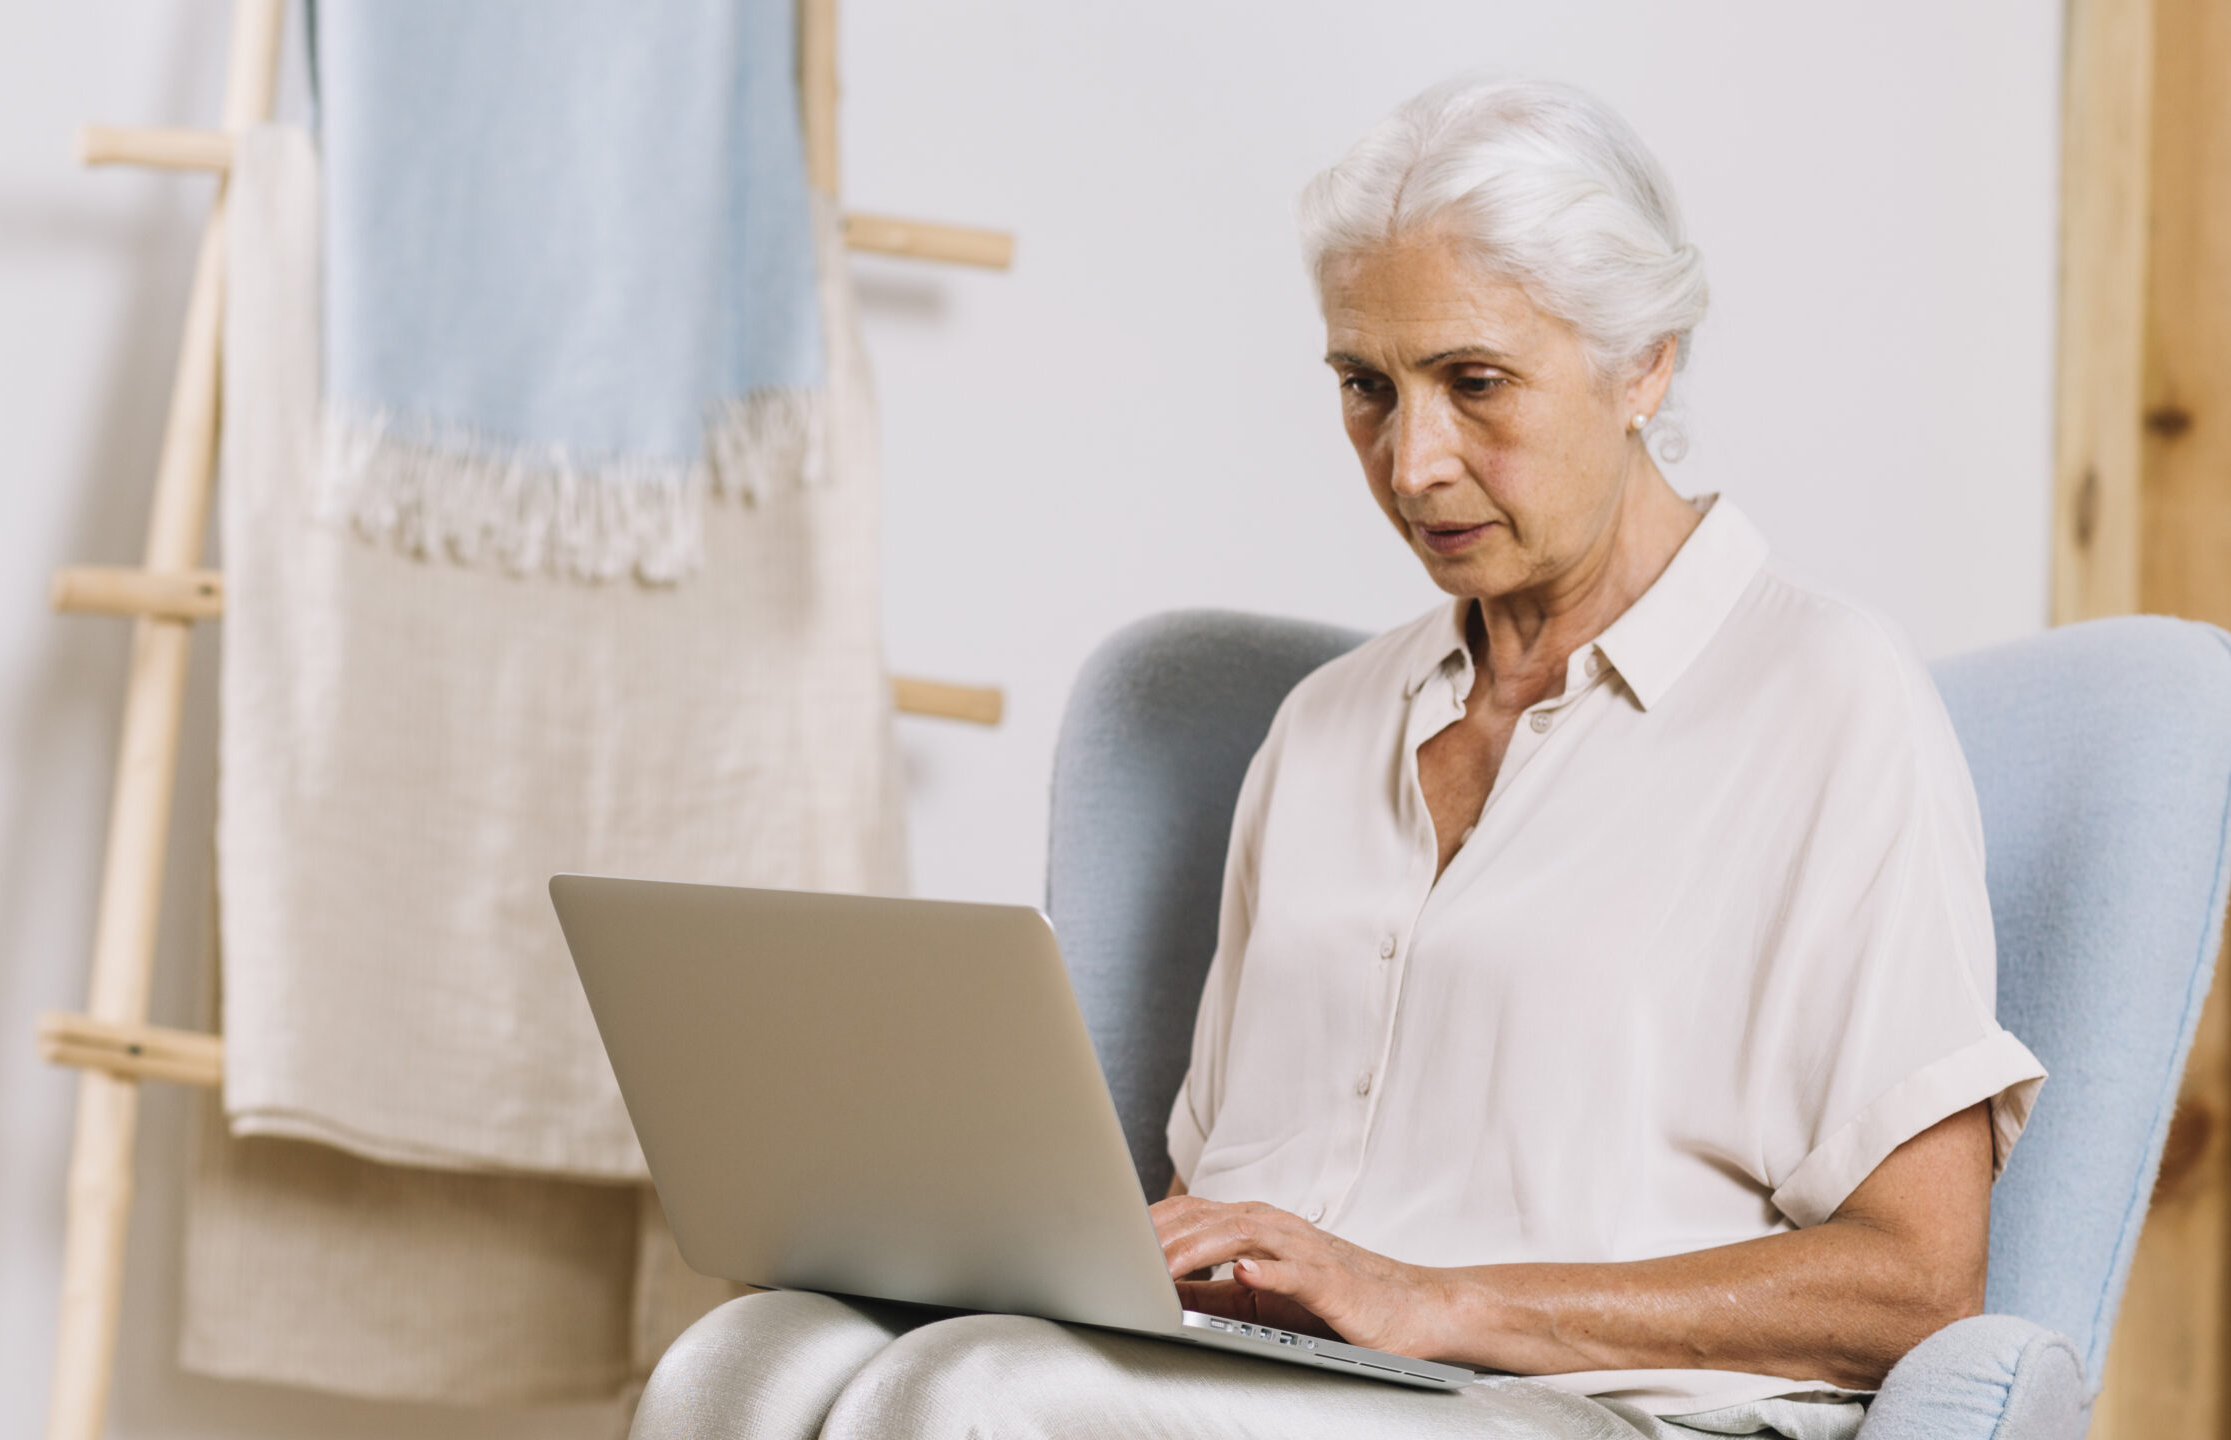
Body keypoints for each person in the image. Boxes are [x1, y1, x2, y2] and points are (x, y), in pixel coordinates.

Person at [629, 74, 2045, 1440]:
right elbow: (1213, 1191)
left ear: (1644, 363)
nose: (1412, 460)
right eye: (1366, 385)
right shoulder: (1325, 731)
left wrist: (1429, 1299)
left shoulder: (1823, 699)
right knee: (746, 1360)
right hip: (1267, 1385)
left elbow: (1918, 1283)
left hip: (1585, 1412)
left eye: (1474, 382)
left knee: (975, 1402)